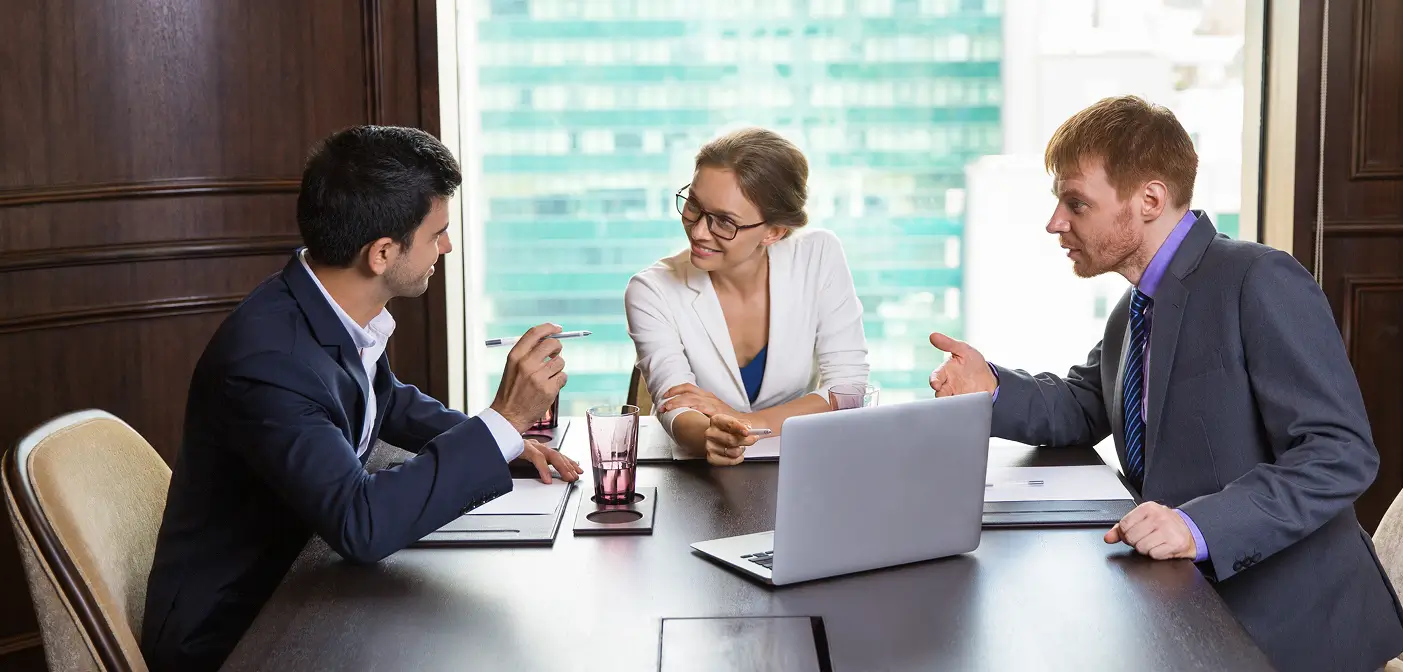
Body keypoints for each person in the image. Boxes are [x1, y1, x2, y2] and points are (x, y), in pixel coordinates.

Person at [927, 96, 1403, 671]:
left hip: (1285, 630)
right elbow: (1087, 403)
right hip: (1180, 606)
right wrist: (992, 388)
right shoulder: (1136, 308)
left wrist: (1195, 524)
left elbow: (1341, 454)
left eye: (1076, 202)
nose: (1056, 221)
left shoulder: (1258, 279)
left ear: (1150, 199)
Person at [140, 126, 582, 671]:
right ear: (381, 253)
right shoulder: (268, 363)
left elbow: (384, 401)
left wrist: (503, 443)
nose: (446, 247)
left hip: (307, 584)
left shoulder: (321, 304)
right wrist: (504, 419)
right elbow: (361, 525)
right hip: (241, 636)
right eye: (437, 234)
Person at [625, 127, 869, 465]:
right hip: (697, 477)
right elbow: (675, 404)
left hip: (802, 465)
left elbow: (849, 390)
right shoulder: (651, 289)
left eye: (725, 222)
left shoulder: (818, 255)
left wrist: (747, 425)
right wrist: (710, 435)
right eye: (694, 205)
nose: (698, 231)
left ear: (774, 231)